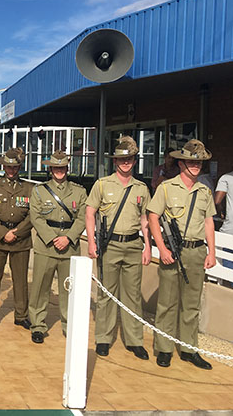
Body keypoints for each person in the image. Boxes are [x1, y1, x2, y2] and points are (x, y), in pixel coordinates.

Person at [147, 139, 217, 370]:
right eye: (191, 162)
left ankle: (189, 349)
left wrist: (211, 251)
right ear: (181, 163)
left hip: (196, 252)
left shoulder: (204, 191)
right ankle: (165, 349)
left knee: (191, 303)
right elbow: (153, 218)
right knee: (167, 302)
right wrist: (162, 248)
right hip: (173, 251)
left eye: (199, 163)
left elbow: (208, 222)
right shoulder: (166, 188)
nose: (196, 166)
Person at [85, 136, 151, 360]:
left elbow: (145, 219)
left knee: (132, 295)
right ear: (115, 162)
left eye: (130, 159)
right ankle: (103, 338)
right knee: (106, 294)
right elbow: (90, 213)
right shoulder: (102, 184)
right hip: (109, 245)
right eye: (122, 159)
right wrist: (92, 242)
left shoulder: (141, 188)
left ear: (134, 161)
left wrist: (148, 246)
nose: (126, 163)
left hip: (133, 245)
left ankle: (134, 341)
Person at [28, 150, 86, 344]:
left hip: (69, 246)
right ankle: (37, 325)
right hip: (47, 246)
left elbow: (81, 218)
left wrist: (68, 238)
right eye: (56, 168)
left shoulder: (79, 191)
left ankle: (69, 325)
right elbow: (36, 217)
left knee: (69, 289)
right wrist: (53, 238)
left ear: (67, 168)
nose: (59, 171)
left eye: (62, 167)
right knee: (40, 287)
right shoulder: (39, 191)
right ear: (50, 169)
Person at [0, 147, 33, 330]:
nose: (12, 170)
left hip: (21, 239)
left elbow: (32, 215)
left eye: (15, 167)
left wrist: (17, 233)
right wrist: (4, 233)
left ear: (20, 167)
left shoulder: (29, 188)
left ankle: (21, 315)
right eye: (9, 167)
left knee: (20, 279)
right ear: (4, 167)